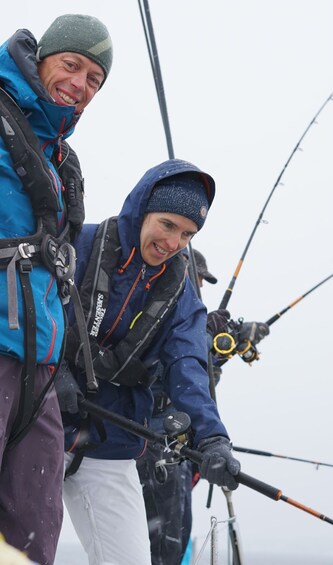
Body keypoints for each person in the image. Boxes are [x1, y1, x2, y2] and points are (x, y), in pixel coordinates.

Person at [55, 158, 242, 565]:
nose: (175, 242)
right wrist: (53, 373)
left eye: (188, 234)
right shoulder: (79, 244)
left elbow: (188, 364)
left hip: (111, 441)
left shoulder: (183, 297)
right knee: (24, 547)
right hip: (38, 420)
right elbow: (37, 307)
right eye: (168, 224)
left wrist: (212, 437)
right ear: (142, 209)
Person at [0, 14, 112, 565]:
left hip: (40, 374)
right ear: (41, 58)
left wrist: (63, 369)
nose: (80, 84)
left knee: (34, 536)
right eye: (72, 65)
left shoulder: (61, 162)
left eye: (94, 78)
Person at [137, 248, 270, 565]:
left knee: (174, 540)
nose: (199, 284)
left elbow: (193, 373)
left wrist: (220, 348)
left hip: (179, 453)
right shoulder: (154, 310)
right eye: (197, 277)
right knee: (161, 547)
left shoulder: (190, 322)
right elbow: (164, 369)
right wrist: (206, 341)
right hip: (154, 448)